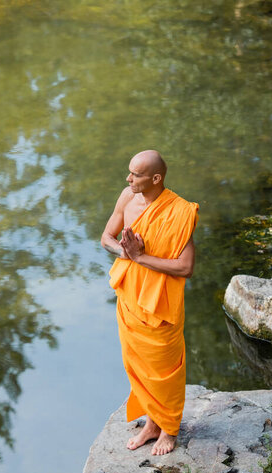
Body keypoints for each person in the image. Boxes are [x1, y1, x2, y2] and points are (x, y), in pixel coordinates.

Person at [101, 150, 199, 455]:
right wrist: (125, 253)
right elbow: (106, 236)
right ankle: (152, 424)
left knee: (164, 368)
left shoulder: (179, 212)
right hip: (130, 296)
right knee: (137, 365)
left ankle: (169, 429)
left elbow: (186, 267)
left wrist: (142, 257)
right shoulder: (126, 198)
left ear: (156, 178)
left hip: (161, 303)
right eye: (129, 172)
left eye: (136, 175)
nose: (128, 179)